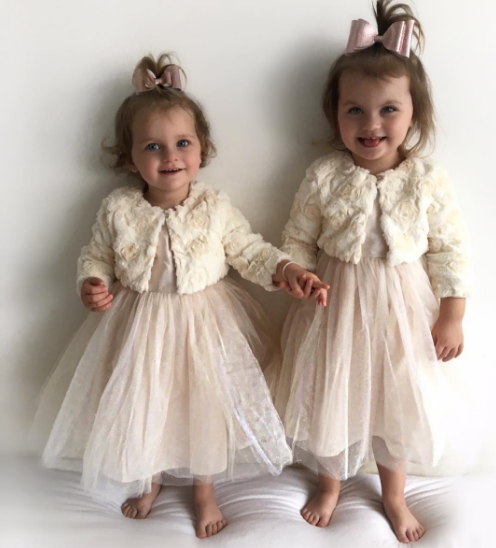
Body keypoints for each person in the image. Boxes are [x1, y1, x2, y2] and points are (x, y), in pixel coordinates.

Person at [30, 53, 328, 539]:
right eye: (153, 146)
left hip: (204, 324)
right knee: (146, 404)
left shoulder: (213, 206)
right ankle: (149, 479)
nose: (170, 156)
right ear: (131, 159)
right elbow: (97, 255)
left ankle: (204, 489)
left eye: (182, 143)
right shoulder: (119, 208)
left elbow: (247, 250)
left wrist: (286, 268)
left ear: (201, 148)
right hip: (140, 325)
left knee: (201, 407)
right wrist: (93, 282)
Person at [274, 1, 473, 543]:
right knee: (332, 396)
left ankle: (393, 493)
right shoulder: (324, 174)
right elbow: (297, 237)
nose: (371, 124)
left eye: (388, 109)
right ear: (334, 115)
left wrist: (452, 314)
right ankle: (330, 483)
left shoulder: (426, 180)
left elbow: (450, 249)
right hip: (334, 306)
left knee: (396, 399)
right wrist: (296, 273)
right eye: (355, 110)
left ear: (414, 115)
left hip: (401, 309)